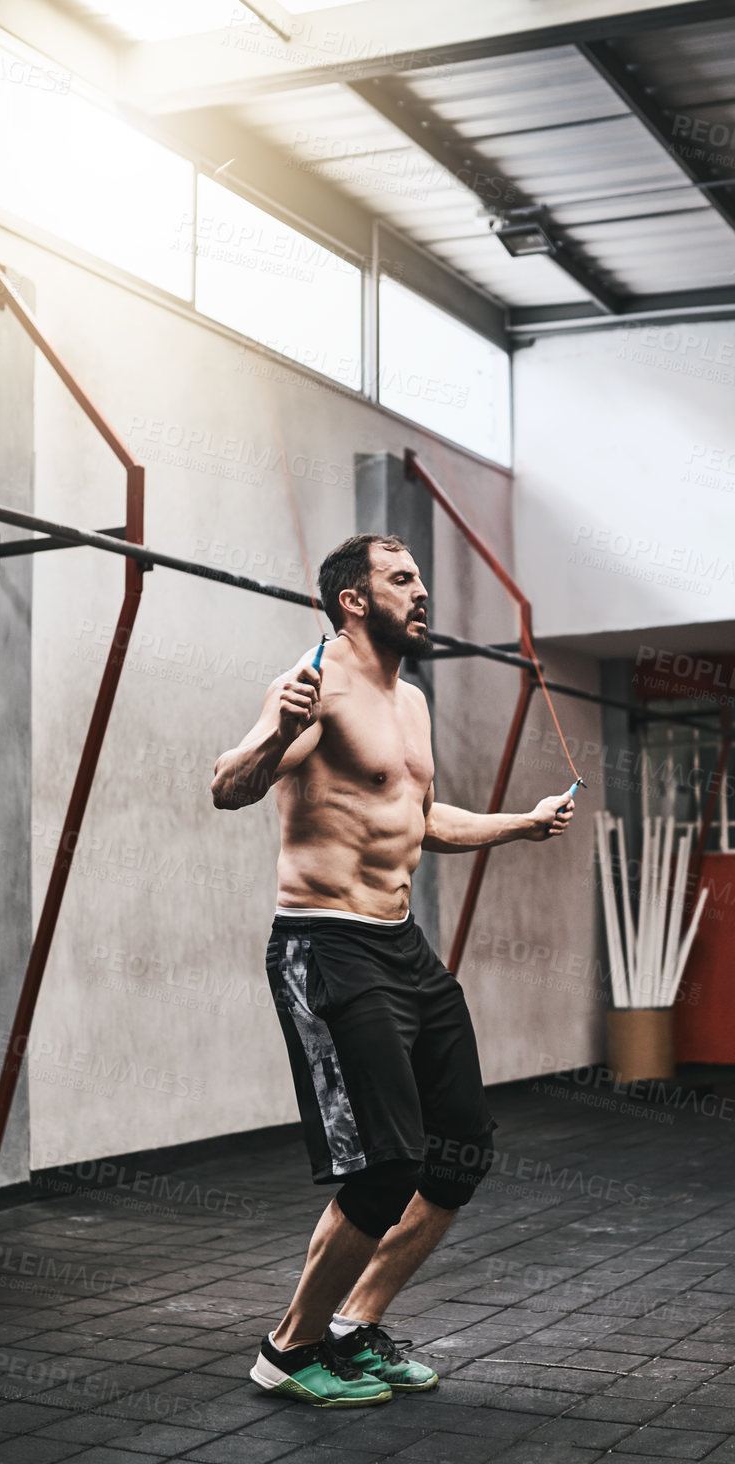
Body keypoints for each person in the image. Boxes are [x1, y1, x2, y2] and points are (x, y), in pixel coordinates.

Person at [211, 533, 574, 1406]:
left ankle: (354, 1325)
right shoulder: (314, 684)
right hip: (325, 944)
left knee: (458, 1154)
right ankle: (289, 1349)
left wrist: (518, 826)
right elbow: (229, 785)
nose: (421, 593)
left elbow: (415, 818)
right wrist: (279, 735)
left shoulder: (407, 702)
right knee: (386, 1162)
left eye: (419, 580)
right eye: (402, 579)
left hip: (402, 947)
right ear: (352, 599)